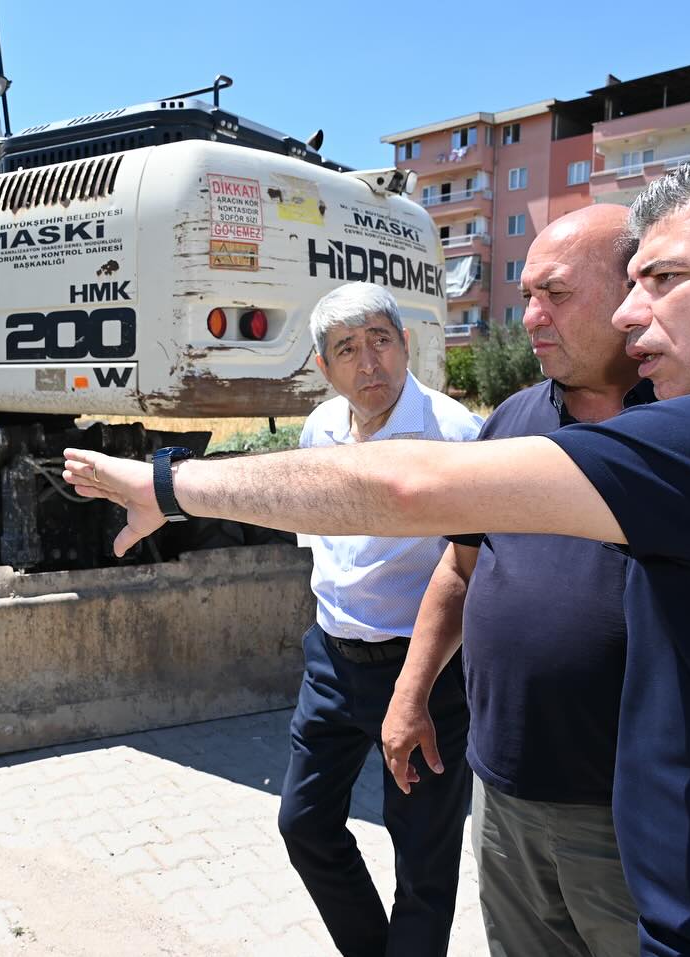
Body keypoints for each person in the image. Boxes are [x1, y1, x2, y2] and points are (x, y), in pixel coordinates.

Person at [62, 145, 690, 957]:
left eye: (664, 280)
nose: (632, 315)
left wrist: (167, 486)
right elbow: (462, 566)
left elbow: (411, 487)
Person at [382, 205, 645, 957]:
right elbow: (459, 570)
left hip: (628, 816)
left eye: (554, 295)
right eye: (526, 295)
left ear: (630, 291)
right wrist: (409, 694)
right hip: (503, 793)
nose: (530, 317)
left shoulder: (684, 425)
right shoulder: (511, 421)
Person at [277, 282, 482, 957]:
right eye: (348, 349)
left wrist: (416, 687)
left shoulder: (455, 434)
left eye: (381, 341)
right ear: (322, 367)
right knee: (304, 824)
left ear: (405, 344)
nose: (370, 364)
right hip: (333, 662)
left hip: (426, 671)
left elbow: (470, 570)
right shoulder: (320, 430)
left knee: (423, 862)